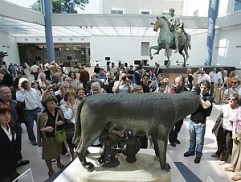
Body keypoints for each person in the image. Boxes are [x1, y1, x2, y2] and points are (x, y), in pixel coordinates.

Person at [184, 80, 214, 163]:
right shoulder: (196, 96)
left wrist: (198, 96)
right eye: (201, 87)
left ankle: (198, 155)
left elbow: (205, 105)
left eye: (205, 88)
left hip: (201, 123)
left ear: (208, 89)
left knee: (199, 141)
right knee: (192, 139)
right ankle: (191, 151)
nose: (202, 89)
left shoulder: (209, 97)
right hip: (192, 120)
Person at [0, 86, 30, 168]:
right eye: (5, 93)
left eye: (9, 92)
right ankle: (13, 165)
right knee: (9, 148)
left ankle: (19, 160)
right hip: (6, 130)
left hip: (16, 127)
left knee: (17, 145)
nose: (8, 94)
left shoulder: (12, 102)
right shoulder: (1, 105)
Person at [37, 95, 65, 177]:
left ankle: (59, 163)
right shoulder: (42, 115)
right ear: (46, 104)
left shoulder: (59, 111)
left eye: (53, 103)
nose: (51, 105)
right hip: (48, 138)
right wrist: (45, 129)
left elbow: (64, 120)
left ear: (56, 103)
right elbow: (40, 129)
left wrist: (62, 122)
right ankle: (50, 169)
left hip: (58, 136)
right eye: (49, 103)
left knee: (58, 151)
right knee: (48, 154)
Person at [211, 93, 239, 165]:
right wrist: (215, 127)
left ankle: (224, 158)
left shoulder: (239, 110)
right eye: (229, 99)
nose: (230, 101)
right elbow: (219, 118)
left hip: (231, 130)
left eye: (233, 99)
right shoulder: (224, 107)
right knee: (219, 141)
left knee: (227, 144)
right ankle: (218, 152)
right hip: (222, 127)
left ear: (236, 101)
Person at [16, 78, 42, 146]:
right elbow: (20, 100)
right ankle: (32, 140)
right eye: (23, 83)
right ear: (20, 85)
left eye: (26, 82)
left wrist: (40, 108)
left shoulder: (34, 90)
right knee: (30, 127)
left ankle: (42, 138)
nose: (25, 84)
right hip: (28, 112)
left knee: (41, 125)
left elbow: (38, 99)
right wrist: (22, 91)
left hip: (37, 110)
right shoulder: (19, 93)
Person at [0, 102, 19, 182]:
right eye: (2, 115)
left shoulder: (11, 126)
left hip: (12, 164)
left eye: (8, 113)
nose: (7, 116)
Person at [60, 90, 78, 161]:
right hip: (69, 127)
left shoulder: (77, 104)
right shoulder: (63, 106)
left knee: (78, 142)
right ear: (66, 97)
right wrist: (70, 107)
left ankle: (79, 156)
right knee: (70, 143)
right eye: (69, 96)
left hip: (78, 125)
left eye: (72, 95)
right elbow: (68, 117)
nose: (71, 97)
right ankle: (72, 157)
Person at [224, 106, 241, 181]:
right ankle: (233, 166)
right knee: (235, 151)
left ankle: (239, 173)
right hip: (237, 131)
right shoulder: (239, 109)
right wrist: (234, 132)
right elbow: (235, 120)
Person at [169, 75, 185, 147]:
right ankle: (171, 139)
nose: (177, 84)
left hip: (181, 112)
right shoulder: (172, 89)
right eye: (176, 82)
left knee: (178, 127)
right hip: (172, 112)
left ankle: (175, 137)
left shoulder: (184, 89)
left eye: (179, 82)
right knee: (171, 127)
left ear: (181, 82)